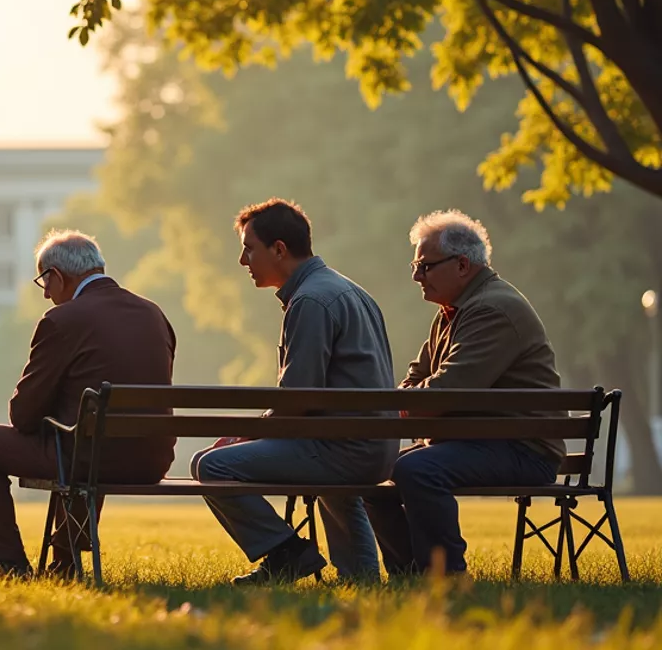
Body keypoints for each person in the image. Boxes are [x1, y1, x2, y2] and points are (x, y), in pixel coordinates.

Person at [192, 199, 397, 584]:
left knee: (211, 465)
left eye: (249, 248)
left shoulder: (311, 301)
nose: (242, 261)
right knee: (333, 484)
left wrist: (244, 435)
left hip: (344, 448)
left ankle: (288, 553)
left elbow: (296, 399)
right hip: (373, 446)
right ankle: (362, 579)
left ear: (279, 249)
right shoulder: (348, 290)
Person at [0, 229, 177, 582]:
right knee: (86, 433)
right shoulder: (153, 313)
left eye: (44, 283)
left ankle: (9, 565)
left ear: (57, 276)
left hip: (91, 458)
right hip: (151, 459)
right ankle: (63, 563)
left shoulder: (63, 320)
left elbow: (23, 415)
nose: (45, 294)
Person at [366, 211, 564, 577]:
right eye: (415, 265)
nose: (415, 275)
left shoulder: (490, 309)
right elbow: (417, 378)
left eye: (425, 266)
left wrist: (408, 407)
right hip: (484, 441)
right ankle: (409, 574)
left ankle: (445, 575)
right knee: (372, 469)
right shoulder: (453, 310)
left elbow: (445, 393)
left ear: (461, 265)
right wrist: (413, 402)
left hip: (521, 449)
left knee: (416, 468)